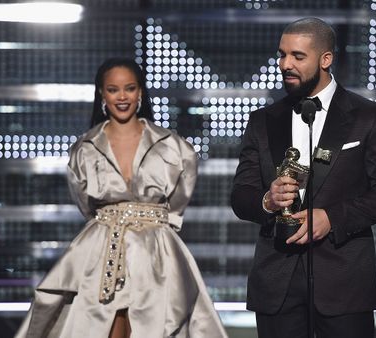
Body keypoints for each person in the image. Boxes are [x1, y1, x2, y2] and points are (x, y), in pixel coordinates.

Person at [15, 57, 228, 338]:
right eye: (113, 89)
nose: (122, 96)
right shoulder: (85, 148)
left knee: (156, 325)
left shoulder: (174, 147)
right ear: (102, 93)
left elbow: (177, 204)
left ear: (140, 91)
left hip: (156, 250)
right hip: (100, 248)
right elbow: (85, 203)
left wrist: (150, 224)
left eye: (129, 88)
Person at [230, 18, 376, 338]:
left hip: (344, 280)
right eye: (281, 55)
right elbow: (241, 195)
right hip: (276, 281)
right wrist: (267, 200)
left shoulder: (370, 117)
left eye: (297, 56)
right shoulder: (262, 120)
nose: (285, 64)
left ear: (326, 59)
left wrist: (331, 217)